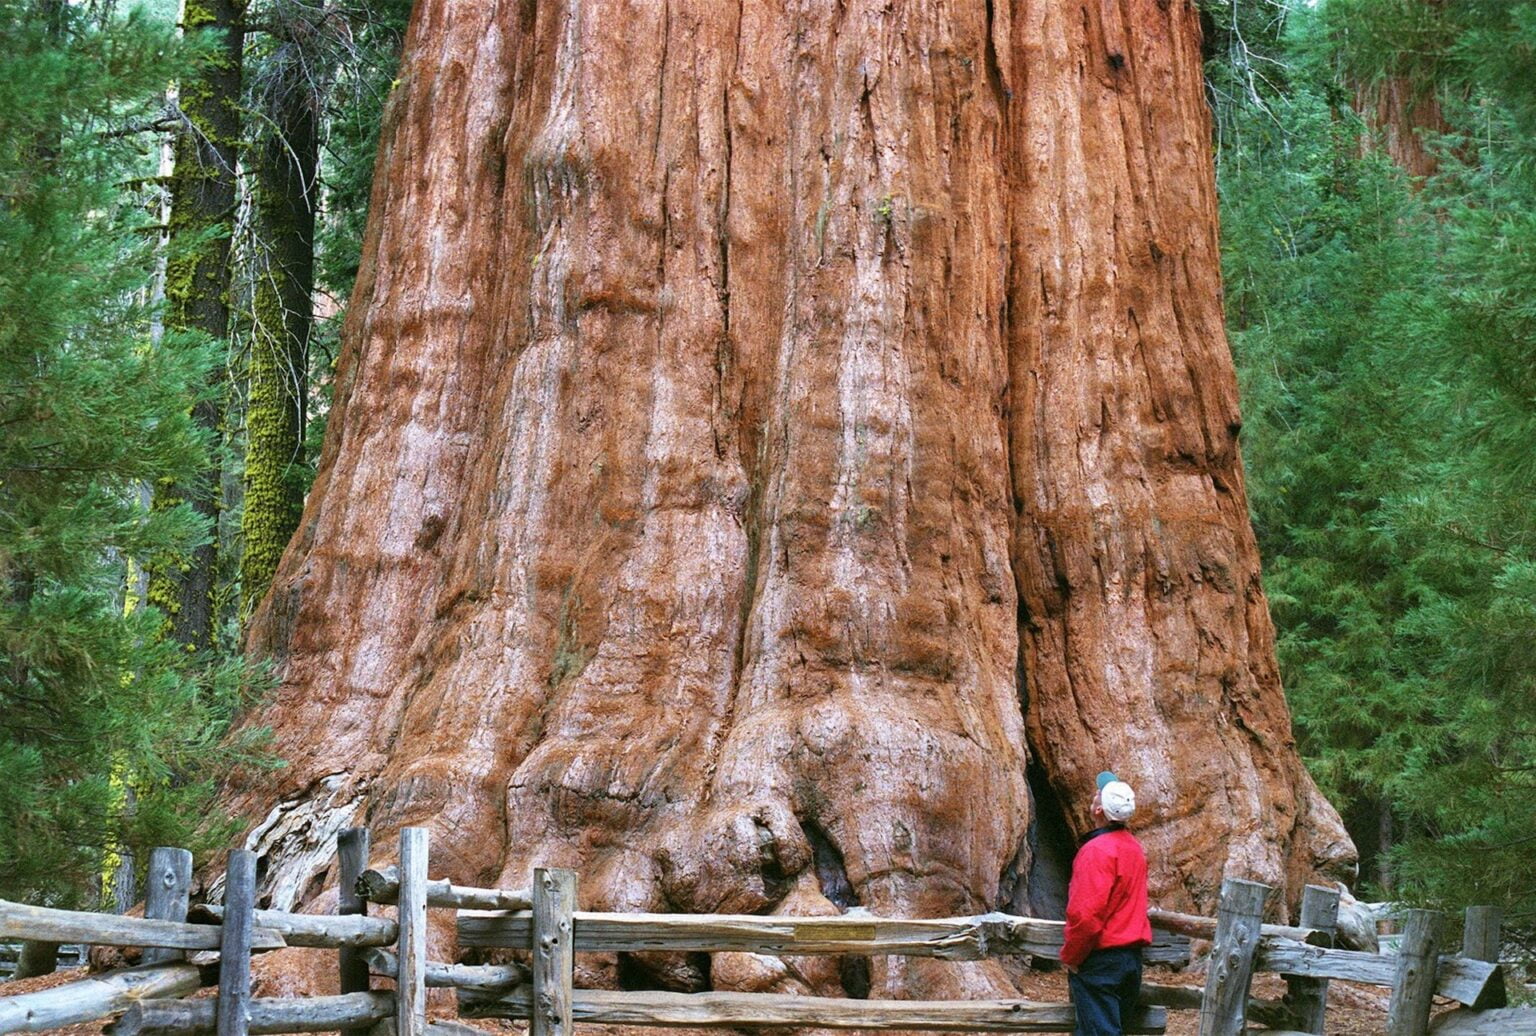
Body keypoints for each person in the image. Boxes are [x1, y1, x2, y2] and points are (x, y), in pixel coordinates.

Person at [1060, 771, 1152, 1036]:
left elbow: (1086, 914)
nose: (1094, 792)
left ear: (1099, 809)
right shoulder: (1134, 848)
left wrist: (1071, 956)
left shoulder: (1096, 852)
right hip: (1130, 961)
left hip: (1102, 962)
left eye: (1099, 793)